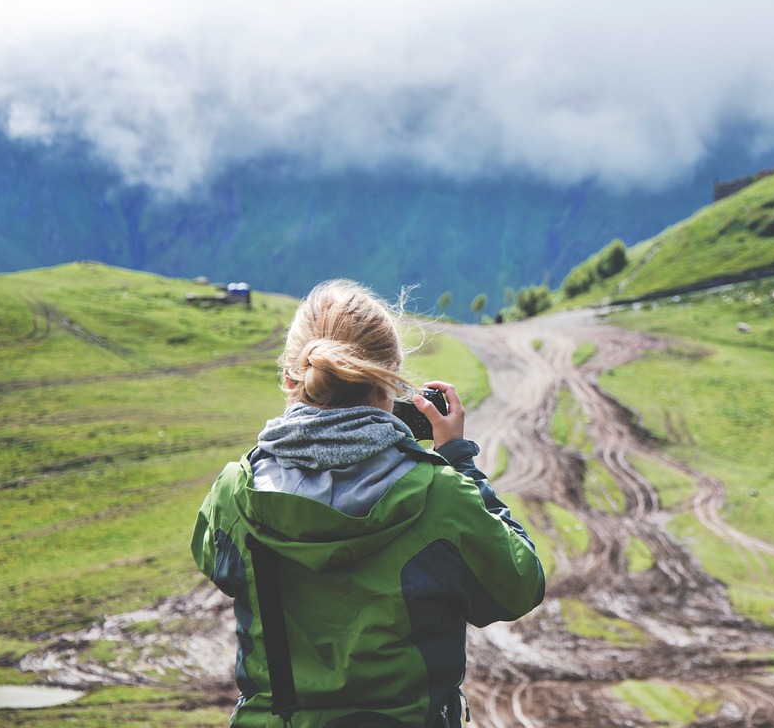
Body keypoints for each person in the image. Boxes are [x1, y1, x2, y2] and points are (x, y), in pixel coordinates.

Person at [191, 279, 545, 727]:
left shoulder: (234, 493)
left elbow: (216, 562)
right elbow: (518, 587)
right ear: (389, 383)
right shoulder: (440, 494)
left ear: (291, 378)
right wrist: (459, 461)